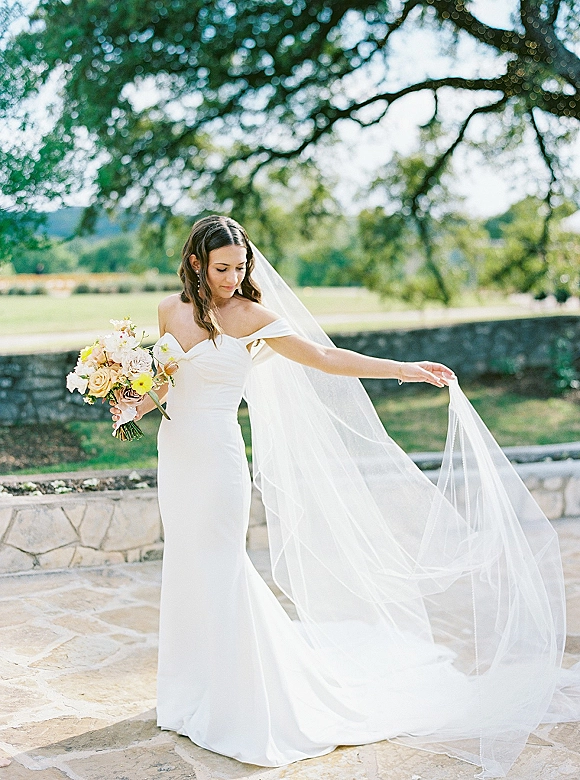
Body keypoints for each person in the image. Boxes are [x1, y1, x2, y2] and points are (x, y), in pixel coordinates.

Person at [110, 215, 580, 778]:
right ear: (195, 264)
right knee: (187, 566)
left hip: (218, 459)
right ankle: (192, 694)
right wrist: (130, 403)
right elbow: (166, 381)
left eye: (240, 267)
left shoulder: (253, 317)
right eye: (222, 268)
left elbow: (327, 360)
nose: (233, 278)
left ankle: (245, 705)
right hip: (177, 453)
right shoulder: (168, 311)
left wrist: (406, 369)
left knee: (222, 567)